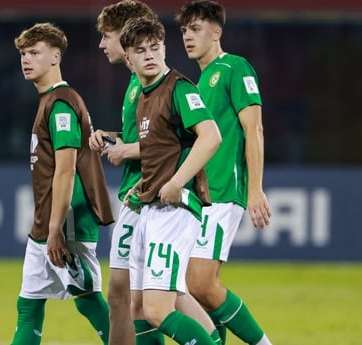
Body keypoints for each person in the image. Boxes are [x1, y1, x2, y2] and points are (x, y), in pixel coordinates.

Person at [91, 2, 220, 345]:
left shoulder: (178, 87)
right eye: (140, 50)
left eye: (154, 48)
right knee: (142, 306)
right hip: (150, 202)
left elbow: (211, 136)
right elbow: (159, 147)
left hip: (173, 208)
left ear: (164, 48)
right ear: (131, 58)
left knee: (157, 309)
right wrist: (144, 187)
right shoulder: (145, 93)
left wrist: (177, 182)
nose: (149, 55)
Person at [174, 1, 273, 344]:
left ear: (217, 32)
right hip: (199, 197)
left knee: (199, 282)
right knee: (189, 288)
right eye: (185, 30)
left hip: (223, 191)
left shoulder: (234, 67)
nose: (188, 36)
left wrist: (255, 188)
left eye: (196, 29)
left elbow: (254, 129)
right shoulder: (196, 83)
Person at [11, 22, 115, 345]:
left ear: (56, 56)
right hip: (46, 223)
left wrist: (56, 228)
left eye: (35, 53)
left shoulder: (61, 103)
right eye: (24, 54)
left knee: (88, 301)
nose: (26, 59)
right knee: (27, 305)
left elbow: (66, 169)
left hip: (65, 223)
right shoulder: (49, 100)